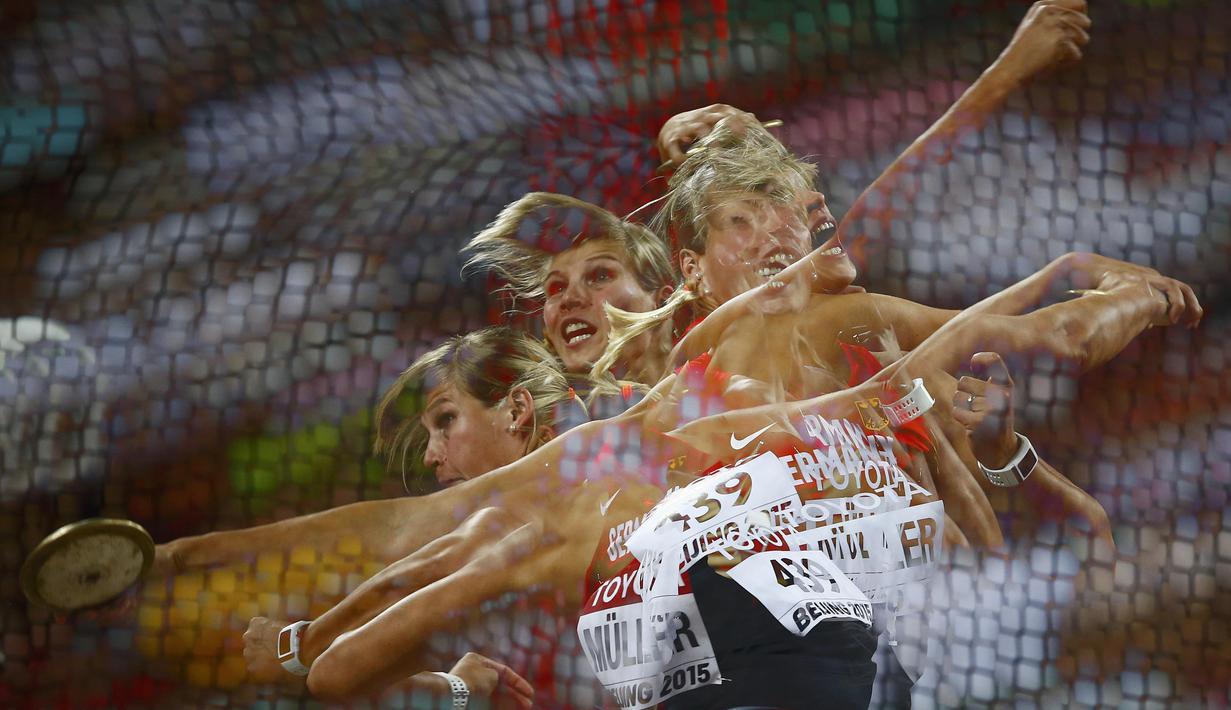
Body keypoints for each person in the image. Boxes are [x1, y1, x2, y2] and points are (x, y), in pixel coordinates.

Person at [462, 192, 676, 387]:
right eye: (557, 287)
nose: (569, 298)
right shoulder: (540, 426)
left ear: (664, 301)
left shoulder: (706, 384)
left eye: (599, 276)